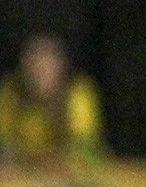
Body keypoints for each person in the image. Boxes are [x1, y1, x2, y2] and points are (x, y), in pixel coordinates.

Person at [0, 32, 105, 168]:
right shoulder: (12, 93)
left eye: (49, 61)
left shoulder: (77, 93)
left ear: (62, 65)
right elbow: (4, 144)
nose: (40, 69)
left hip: (73, 175)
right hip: (24, 174)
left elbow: (83, 147)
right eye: (34, 60)